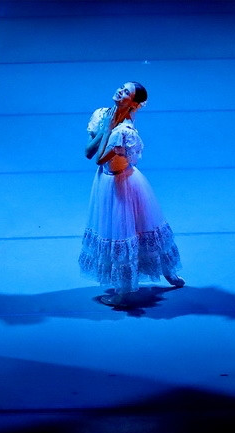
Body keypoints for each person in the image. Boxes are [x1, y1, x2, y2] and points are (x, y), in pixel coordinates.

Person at [80, 80, 184, 308]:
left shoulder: (124, 131)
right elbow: (88, 152)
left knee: (144, 228)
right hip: (105, 183)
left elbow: (99, 158)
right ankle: (125, 287)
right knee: (123, 231)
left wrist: (109, 129)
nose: (120, 91)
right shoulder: (101, 114)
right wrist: (105, 128)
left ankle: (137, 286)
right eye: (122, 87)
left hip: (124, 184)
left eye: (126, 92)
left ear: (134, 104)